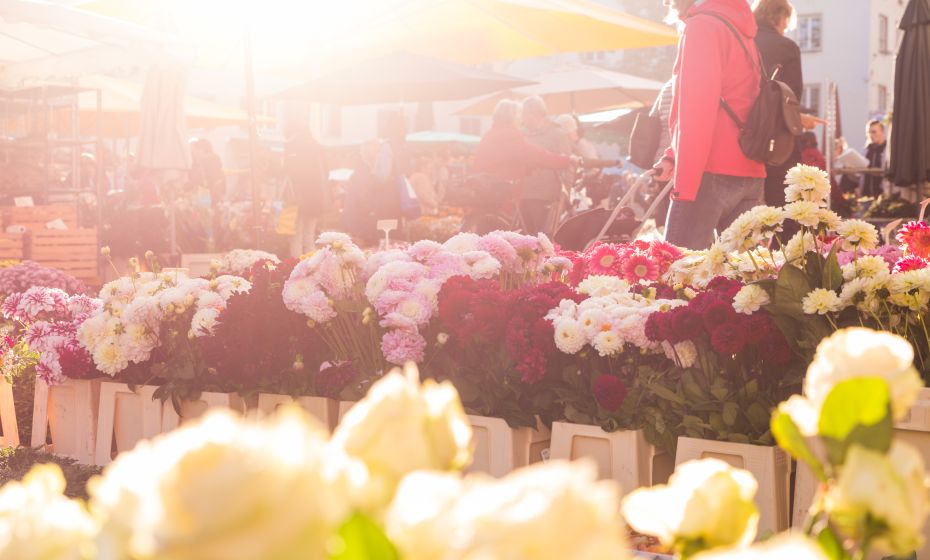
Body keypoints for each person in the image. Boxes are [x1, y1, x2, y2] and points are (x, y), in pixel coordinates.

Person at [654, 0, 767, 250]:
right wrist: (672, 156)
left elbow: (697, 108)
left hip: (707, 171)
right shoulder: (741, 27)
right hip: (749, 168)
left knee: (678, 272)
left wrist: (685, 181)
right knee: (740, 277)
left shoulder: (702, 26)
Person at [471, 99, 575, 194]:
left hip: (485, 189)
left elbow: (507, 159)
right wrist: (566, 160)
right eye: (519, 115)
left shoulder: (492, 133)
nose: (522, 119)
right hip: (498, 192)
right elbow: (536, 155)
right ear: (512, 117)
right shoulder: (509, 135)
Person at [520, 96, 574, 235]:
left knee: (542, 238)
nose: (523, 119)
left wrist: (564, 197)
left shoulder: (557, 134)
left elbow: (568, 165)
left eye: (525, 114)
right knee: (525, 238)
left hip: (546, 196)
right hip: (523, 194)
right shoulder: (523, 133)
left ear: (537, 114)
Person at [283, 122, 329, 258]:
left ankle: (297, 268)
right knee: (309, 235)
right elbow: (326, 172)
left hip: (298, 197)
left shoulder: (291, 145)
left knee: (296, 237)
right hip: (316, 198)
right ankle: (311, 269)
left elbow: (288, 170)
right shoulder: (318, 147)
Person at [863, 119, 888, 197]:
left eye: (874, 132)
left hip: (882, 193)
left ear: (882, 132)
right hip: (866, 194)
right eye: (869, 132)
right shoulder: (867, 149)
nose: (871, 135)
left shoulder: (888, 149)